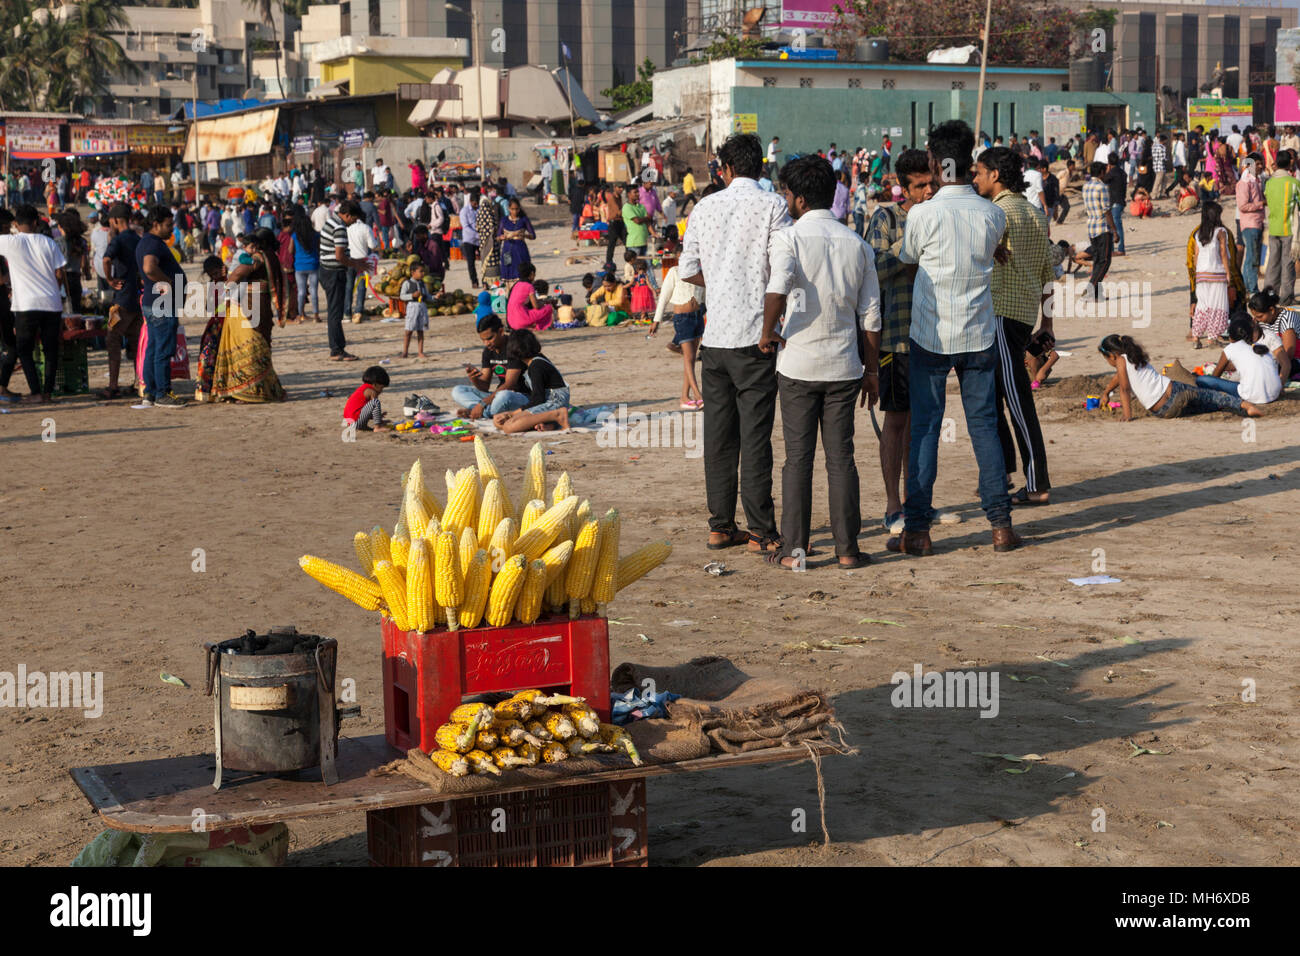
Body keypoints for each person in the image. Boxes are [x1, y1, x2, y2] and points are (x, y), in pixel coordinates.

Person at [894, 120, 1022, 555]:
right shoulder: (992, 214)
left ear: (934, 161)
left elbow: (910, 262)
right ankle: (1001, 526)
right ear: (970, 160)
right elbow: (989, 253)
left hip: (930, 333)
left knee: (925, 428)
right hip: (978, 332)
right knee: (983, 426)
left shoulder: (922, 214)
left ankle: (917, 531)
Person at [757, 154, 879, 570]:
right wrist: (873, 370)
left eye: (787, 194)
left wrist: (767, 332)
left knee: (798, 460)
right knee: (841, 458)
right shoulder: (858, 244)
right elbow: (871, 316)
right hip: (845, 365)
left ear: (802, 199)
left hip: (798, 366)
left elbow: (776, 289)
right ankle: (848, 550)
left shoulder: (789, 239)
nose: (785, 200)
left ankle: (795, 551)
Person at [678, 133, 791, 555]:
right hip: (755, 337)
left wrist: (722, 282)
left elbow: (688, 268)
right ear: (760, 167)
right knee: (756, 438)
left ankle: (720, 525)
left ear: (724, 169)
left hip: (717, 340)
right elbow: (783, 269)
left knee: (720, 438)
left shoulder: (706, 206)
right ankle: (761, 529)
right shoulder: (773, 205)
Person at [866, 148, 945, 535]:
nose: (928, 191)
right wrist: (909, 244)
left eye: (932, 182)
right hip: (895, 340)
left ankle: (919, 502)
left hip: (934, 337)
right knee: (896, 422)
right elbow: (872, 269)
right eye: (920, 185)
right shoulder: (886, 217)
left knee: (923, 424)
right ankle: (892, 504)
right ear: (902, 187)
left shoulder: (942, 215)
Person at [973, 147, 1056, 508]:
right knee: (993, 394)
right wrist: (1048, 322)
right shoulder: (1036, 215)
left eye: (978, 173)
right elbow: (1048, 275)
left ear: (995, 175)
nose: (974, 179)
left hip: (1002, 315)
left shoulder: (997, 213)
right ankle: (1002, 471)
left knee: (1016, 398)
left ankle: (1036, 482)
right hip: (1022, 316)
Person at [0, 204, 71, 404]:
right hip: (51, 303)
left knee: (24, 350)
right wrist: (55, 292)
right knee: (50, 350)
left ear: (15, 223)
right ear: (36, 222)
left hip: (25, 304)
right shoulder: (48, 242)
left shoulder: (9, 242)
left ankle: (36, 392)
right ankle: (47, 393)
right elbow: (59, 273)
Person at [1099, 334, 1261, 419]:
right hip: (1175, 393)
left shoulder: (1121, 361)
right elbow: (1123, 385)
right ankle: (1246, 406)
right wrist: (1108, 393)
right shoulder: (1130, 358)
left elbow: (1123, 385)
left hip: (1164, 412)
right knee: (1209, 396)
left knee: (1202, 406)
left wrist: (1126, 414)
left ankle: (1234, 406)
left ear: (1112, 355)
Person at [135, 205, 187, 408]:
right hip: (162, 304)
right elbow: (149, 268)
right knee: (163, 349)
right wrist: (169, 283)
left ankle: (150, 392)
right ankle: (162, 393)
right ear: (155, 224)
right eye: (168, 225)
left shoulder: (147, 242)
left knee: (154, 348)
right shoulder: (152, 244)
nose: (171, 229)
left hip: (154, 302)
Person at [99, 203, 144, 398]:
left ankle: (113, 385)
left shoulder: (118, 240)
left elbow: (106, 259)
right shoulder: (138, 239)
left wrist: (109, 279)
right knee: (135, 343)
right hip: (138, 298)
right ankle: (138, 382)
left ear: (116, 220)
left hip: (122, 299)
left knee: (113, 339)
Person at [452, 314, 531, 418]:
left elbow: (510, 384)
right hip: (497, 396)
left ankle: (480, 412)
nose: (486, 343)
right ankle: (484, 410)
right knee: (458, 391)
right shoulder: (488, 351)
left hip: (521, 396)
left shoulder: (513, 347)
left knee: (503, 396)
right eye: (483, 340)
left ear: (501, 332)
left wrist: (482, 404)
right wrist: (474, 378)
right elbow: (484, 386)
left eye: (489, 338)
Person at [492, 329, 570, 433]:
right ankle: (550, 424)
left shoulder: (536, 366)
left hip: (554, 402)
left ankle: (558, 415)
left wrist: (512, 414)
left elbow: (538, 399)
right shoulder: (536, 361)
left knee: (508, 427)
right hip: (549, 401)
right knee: (497, 421)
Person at [1195, 315, 1283, 406]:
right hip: (1275, 394)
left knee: (1201, 380)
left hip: (1252, 397)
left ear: (1230, 338)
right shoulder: (1259, 347)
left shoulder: (1231, 348)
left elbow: (1216, 374)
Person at [1186, 201, 1241, 348]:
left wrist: (1198, 274)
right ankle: (1211, 338)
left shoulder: (1198, 234)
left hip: (1201, 275)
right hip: (1217, 273)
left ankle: (1196, 337)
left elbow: (1196, 256)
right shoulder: (1220, 231)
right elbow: (1223, 253)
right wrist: (1228, 274)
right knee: (1217, 306)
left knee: (1202, 306)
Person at [651, 263, 706, 408]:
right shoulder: (675, 271)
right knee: (688, 358)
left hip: (698, 317)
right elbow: (664, 296)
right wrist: (657, 320)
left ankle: (684, 398)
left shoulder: (702, 271)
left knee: (691, 358)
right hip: (682, 318)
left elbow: (706, 296)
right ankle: (697, 394)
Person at [318, 199, 365, 361]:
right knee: (335, 313)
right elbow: (340, 256)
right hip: (333, 273)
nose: (353, 223)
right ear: (346, 215)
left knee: (334, 312)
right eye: (353, 219)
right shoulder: (339, 228)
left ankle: (337, 348)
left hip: (325, 270)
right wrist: (356, 264)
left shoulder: (331, 221)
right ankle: (337, 350)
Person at [1083, 162, 1118, 299]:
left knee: (1098, 260)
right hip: (1102, 227)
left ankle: (1096, 294)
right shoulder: (1102, 187)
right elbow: (1106, 210)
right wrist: (1114, 231)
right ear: (1102, 173)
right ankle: (1091, 288)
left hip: (1091, 226)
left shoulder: (1086, 186)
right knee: (1104, 261)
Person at [1236, 158, 1265, 295]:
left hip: (1257, 222)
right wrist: (1261, 204)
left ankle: (1247, 287)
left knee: (1251, 257)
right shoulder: (1244, 182)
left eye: (1261, 163)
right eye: (1257, 164)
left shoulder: (1256, 181)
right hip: (1249, 223)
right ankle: (1252, 288)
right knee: (1252, 258)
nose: (1260, 166)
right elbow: (1243, 206)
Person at [291, 204, 321, 322]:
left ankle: (300, 315)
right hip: (313, 264)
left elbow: (290, 250)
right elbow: (319, 248)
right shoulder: (315, 235)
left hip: (299, 266)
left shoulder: (295, 236)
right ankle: (316, 315)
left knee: (301, 291)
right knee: (314, 291)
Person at [505, 262, 554, 331]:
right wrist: (546, 301)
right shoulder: (529, 286)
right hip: (520, 321)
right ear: (532, 274)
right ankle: (540, 326)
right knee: (548, 308)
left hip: (511, 322)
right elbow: (536, 306)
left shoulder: (516, 285)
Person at [498, 198, 536, 280]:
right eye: (512, 209)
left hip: (520, 249)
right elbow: (498, 236)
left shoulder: (524, 220)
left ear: (519, 208)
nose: (514, 211)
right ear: (508, 209)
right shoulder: (504, 220)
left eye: (516, 209)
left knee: (522, 270)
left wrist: (524, 235)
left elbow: (533, 236)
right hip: (507, 249)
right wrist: (502, 237)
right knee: (507, 269)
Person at [344, 365, 390, 431]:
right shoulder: (371, 391)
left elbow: (366, 410)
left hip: (350, 422)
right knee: (375, 402)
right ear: (375, 384)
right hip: (355, 422)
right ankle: (378, 427)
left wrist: (379, 417)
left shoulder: (363, 388)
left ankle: (368, 426)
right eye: (381, 388)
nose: (381, 391)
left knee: (372, 404)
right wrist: (379, 421)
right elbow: (374, 405)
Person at [400, 262, 429, 358]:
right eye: (420, 271)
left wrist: (435, 297)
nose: (422, 273)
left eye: (423, 271)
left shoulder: (423, 284)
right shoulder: (407, 283)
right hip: (412, 307)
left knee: (421, 331)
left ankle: (420, 352)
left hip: (422, 307)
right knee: (408, 331)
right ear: (413, 272)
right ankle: (405, 352)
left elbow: (427, 296)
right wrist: (412, 295)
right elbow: (402, 296)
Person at [1103, 154, 1127, 256]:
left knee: (1115, 225)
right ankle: (1113, 249)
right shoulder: (1122, 172)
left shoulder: (1112, 173)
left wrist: (1107, 170)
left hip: (1114, 202)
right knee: (1114, 225)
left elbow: (1103, 180)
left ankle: (1120, 249)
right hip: (1121, 200)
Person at [476, 193, 502, 284]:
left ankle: (485, 283)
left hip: (483, 243)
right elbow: (493, 227)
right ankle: (494, 283)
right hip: (492, 244)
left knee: (485, 263)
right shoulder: (490, 216)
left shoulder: (479, 214)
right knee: (492, 264)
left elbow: (477, 228)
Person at [460, 188, 481, 288]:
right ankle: (474, 281)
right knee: (471, 262)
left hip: (480, 240)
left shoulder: (480, 209)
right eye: (475, 204)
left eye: (477, 203)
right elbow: (465, 227)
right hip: (469, 239)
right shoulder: (464, 211)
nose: (476, 206)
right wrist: (478, 235)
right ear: (471, 201)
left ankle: (486, 281)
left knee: (485, 260)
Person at [621, 188, 651, 257]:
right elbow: (637, 221)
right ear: (629, 194)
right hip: (634, 244)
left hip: (645, 242)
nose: (638, 194)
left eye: (638, 192)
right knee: (635, 266)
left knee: (648, 266)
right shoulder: (627, 207)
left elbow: (648, 223)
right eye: (635, 192)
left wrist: (654, 233)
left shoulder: (641, 206)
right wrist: (647, 218)